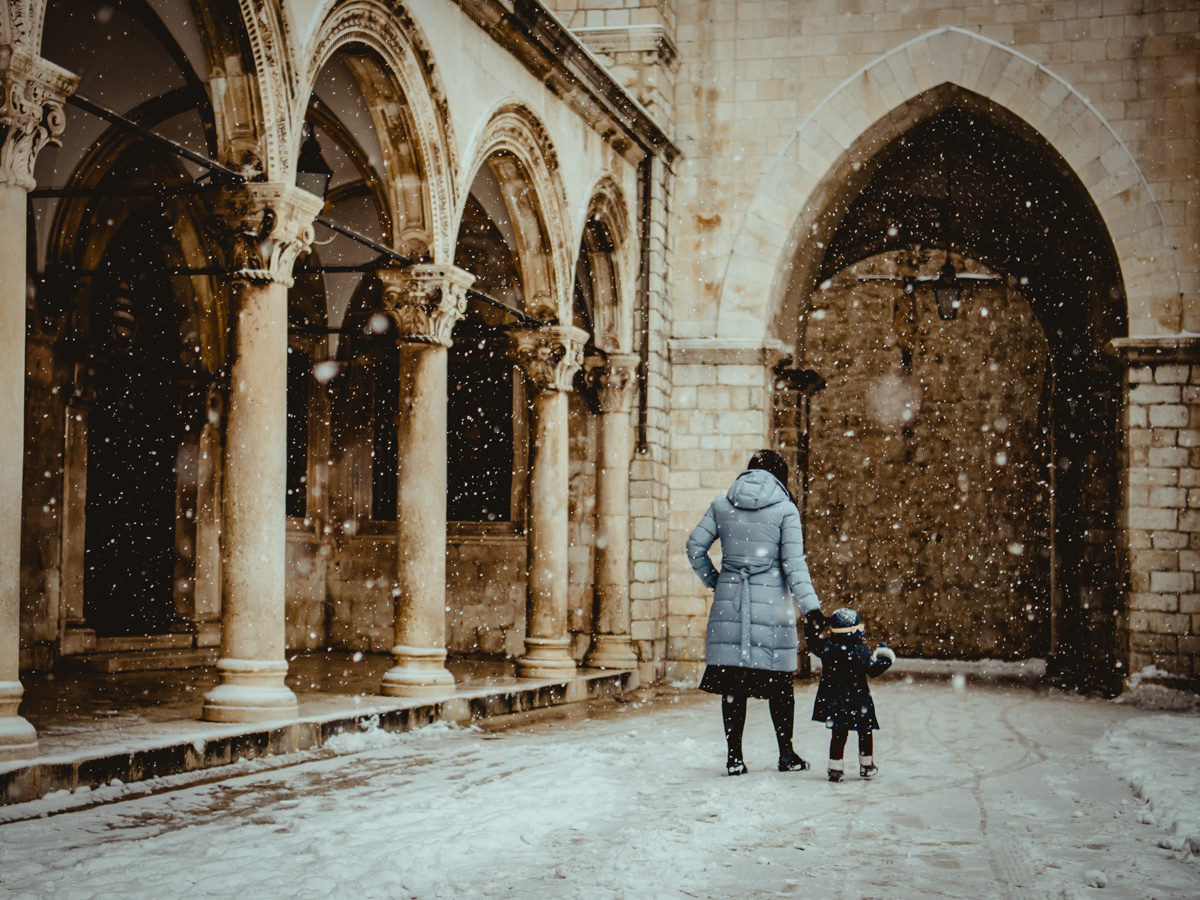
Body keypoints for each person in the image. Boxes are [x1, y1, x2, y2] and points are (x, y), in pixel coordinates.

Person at [686, 449, 824, 776]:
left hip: (730, 603)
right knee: (780, 684)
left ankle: (734, 757)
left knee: (733, 684)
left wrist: (717, 581)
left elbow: (694, 547)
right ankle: (786, 754)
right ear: (781, 475)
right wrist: (812, 610)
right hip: (771, 608)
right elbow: (794, 566)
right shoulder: (785, 510)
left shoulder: (722, 504)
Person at [804, 607, 895, 781]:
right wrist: (885, 657)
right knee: (865, 731)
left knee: (838, 734)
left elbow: (813, 643)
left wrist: (813, 626)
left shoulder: (828, 648)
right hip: (858, 699)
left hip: (835, 699)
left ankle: (835, 768)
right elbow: (874, 670)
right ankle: (866, 765)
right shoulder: (860, 651)